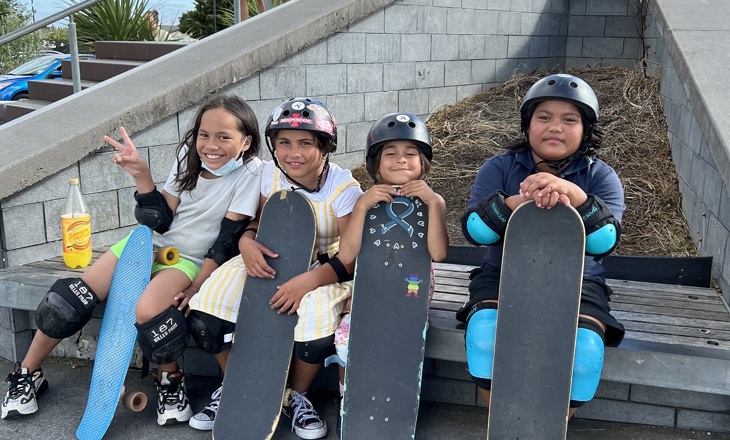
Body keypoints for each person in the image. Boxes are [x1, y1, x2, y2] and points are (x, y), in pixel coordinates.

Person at [1, 95, 263, 426]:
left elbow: (226, 240)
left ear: (246, 141)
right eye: (204, 135)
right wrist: (143, 177)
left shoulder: (252, 174)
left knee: (151, 311)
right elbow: (161, 219)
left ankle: (171, 381)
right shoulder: (188, 156)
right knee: (66, 301)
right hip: (143, 244)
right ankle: (27, 374)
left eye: (224, 137)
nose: (210, 145)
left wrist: (198, 285)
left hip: (188, 260)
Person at [186, 97, 362, 438]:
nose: (292, 153)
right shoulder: (272, 174)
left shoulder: (344, 189)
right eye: (284, 143)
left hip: (326, 270)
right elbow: (259, 220)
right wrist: (246, 242)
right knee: (208, 308)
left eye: (305, 143)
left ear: (325, 147)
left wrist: (307, 282)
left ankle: (296, 396)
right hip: (270, 258)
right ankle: (235, 386)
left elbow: (351, 257)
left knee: (312, 321)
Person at [457, 73, 625, 416]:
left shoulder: (601, 176)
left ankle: (551, 427)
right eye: (544, 117)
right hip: (502, 273)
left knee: (584, 353)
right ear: (527, 125)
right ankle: (506, 422)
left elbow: (604, 242)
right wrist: (516, 203)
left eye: (569, 119)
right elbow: (475, 232)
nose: (555, 127)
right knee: (486, 337)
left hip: (579, 281)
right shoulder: (499, 167)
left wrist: (577, 198)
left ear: (586, 130)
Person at [327, 112, 449, 424]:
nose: (401, 160)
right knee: (345, 339)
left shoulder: (433, 201)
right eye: (390, 154)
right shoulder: (365, 200)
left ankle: (396, 400)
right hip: (370, 290)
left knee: (400, 340)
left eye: (410, 154)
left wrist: (433, 204)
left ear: (423, 162)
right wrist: (364, 206)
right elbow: (348, 252)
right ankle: (349, 395)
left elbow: (437, 252)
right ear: (375, 164)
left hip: (412, 292)